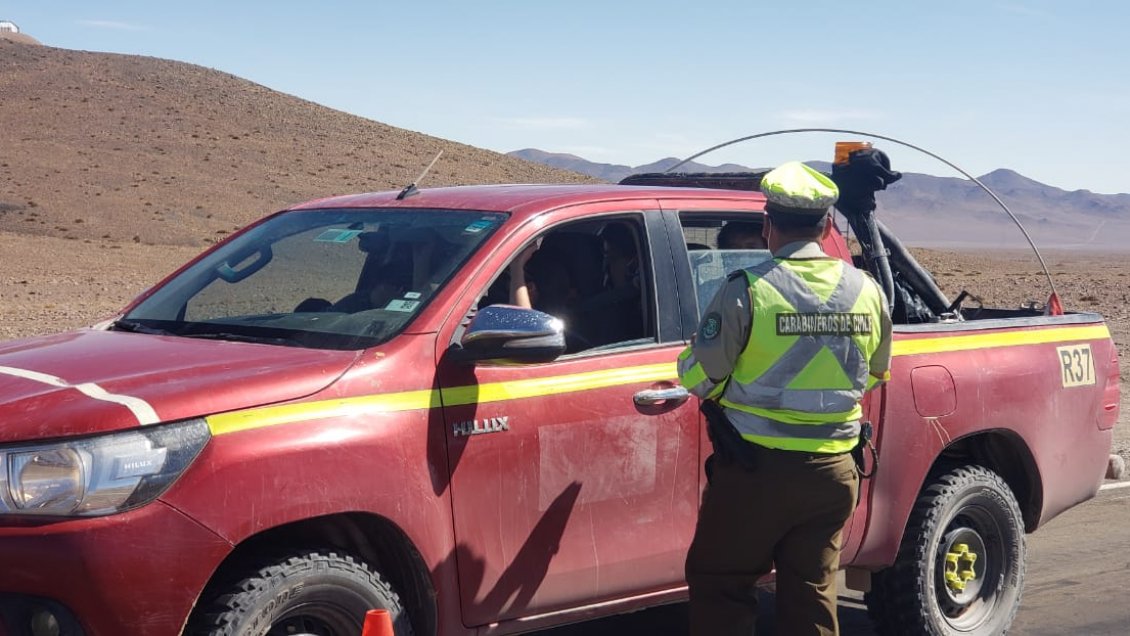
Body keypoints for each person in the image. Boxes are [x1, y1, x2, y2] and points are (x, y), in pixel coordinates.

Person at [677, 161, 892, 636]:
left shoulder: (747, 291)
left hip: (757, 471)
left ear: (768, 225)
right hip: (835, 471)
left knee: (722, 583)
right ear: (828, 224)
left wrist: (688, 358)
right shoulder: (868, 291)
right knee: (812, 592)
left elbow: (702, 378)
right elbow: (876, 374)